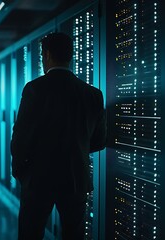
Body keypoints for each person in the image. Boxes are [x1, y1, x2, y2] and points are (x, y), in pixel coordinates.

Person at [10, 32, 107, 239]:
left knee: (30, 233)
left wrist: (20, 171)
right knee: (74, 234)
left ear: (47, 55)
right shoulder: (93, 94)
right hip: (75, 178)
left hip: (38, 177)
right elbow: (99, 141)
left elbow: (21, 136)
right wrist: (75, 148)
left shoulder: (35, 89)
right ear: (70, 56)